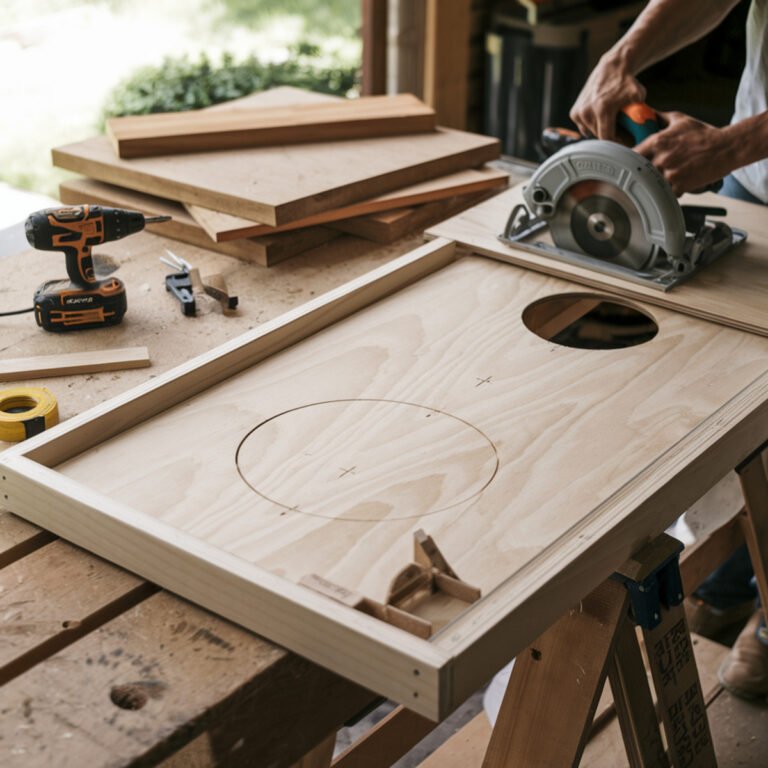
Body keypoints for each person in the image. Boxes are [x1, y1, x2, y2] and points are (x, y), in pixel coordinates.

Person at [570, 0, 768, 700]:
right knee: (721, 386)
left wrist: (733, 145)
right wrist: (620, 57)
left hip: (749, 151)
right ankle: (733, 575)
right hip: (758, 176)